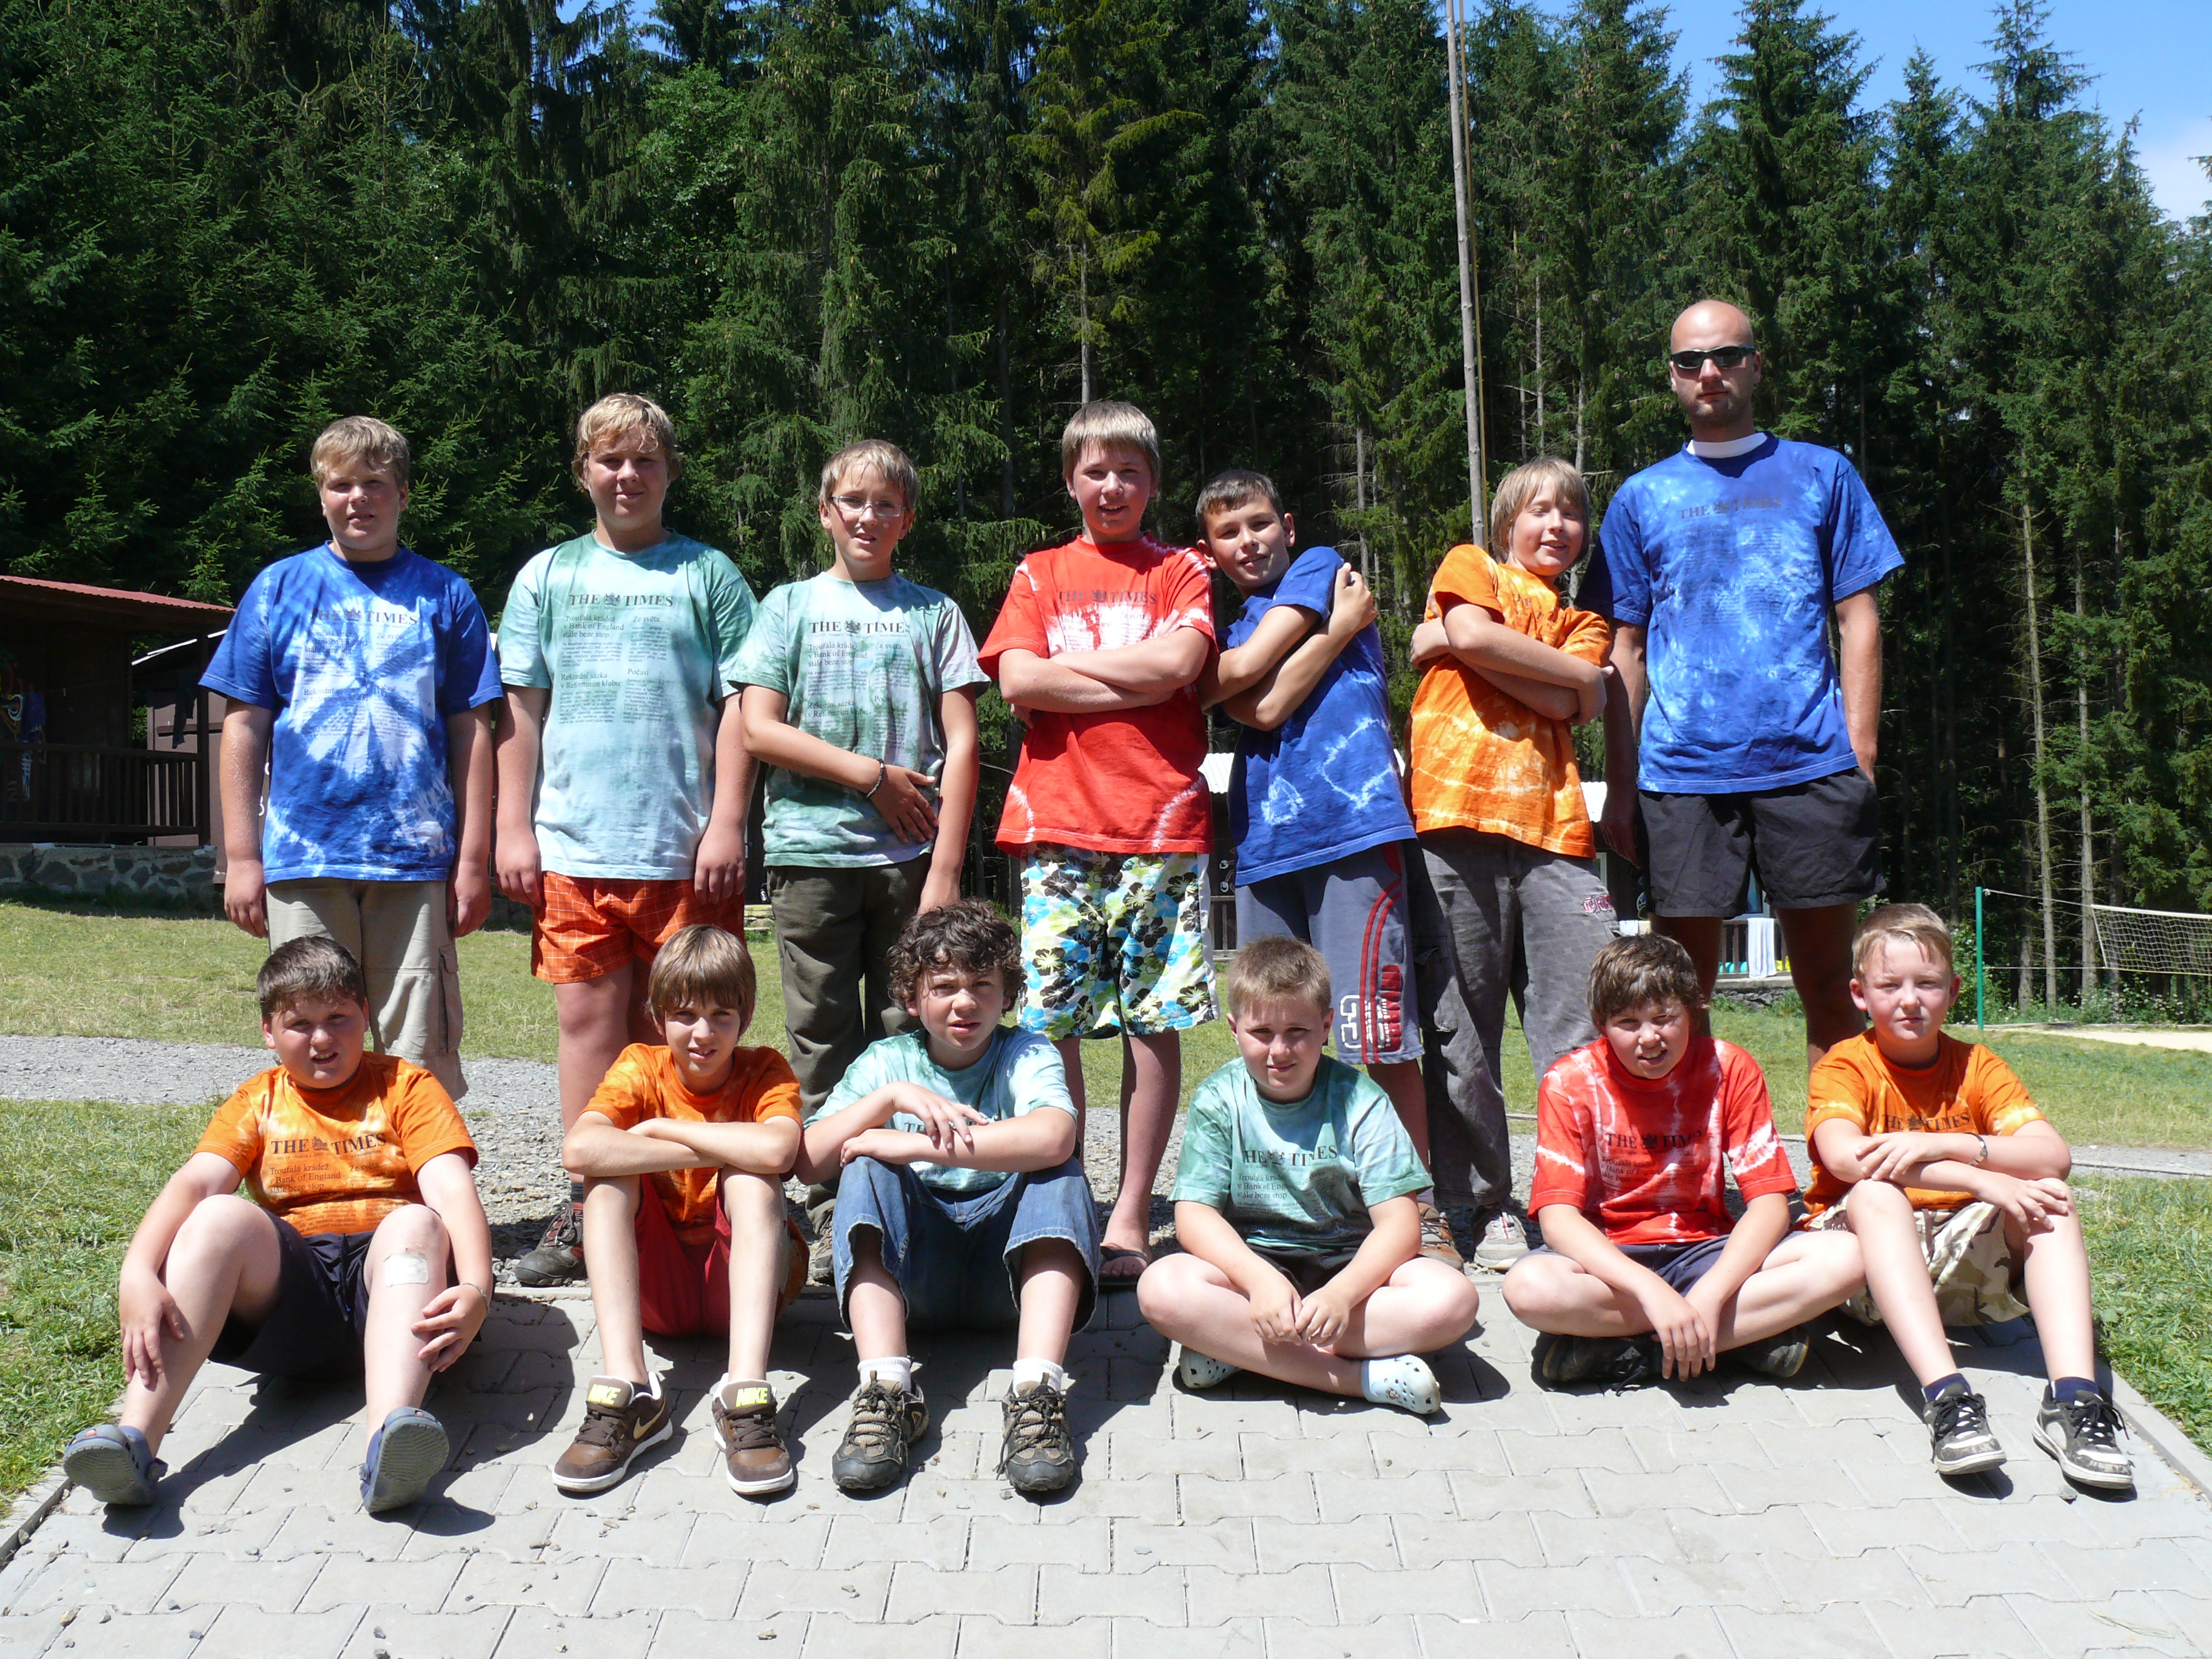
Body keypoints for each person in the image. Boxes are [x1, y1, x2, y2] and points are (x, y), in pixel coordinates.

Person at [62, 937, 492, 1513]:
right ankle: (133, 1443)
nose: (322, 1039)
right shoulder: (258, 1100)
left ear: (366, 1016)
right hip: (296, 1310)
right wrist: (137, 1272)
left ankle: (389, 1445)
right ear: (268, 1031)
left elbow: (451, 1189)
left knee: (416, 1221)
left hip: (397, 1301)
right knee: (216, 1216)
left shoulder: (405, 1086)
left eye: (338, 1018)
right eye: (300, 1025)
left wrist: (477, 1289)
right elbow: (196, 1184)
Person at [1586, 298, 1902, 1071]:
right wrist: (1621, 786)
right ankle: (1692, 1150)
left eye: (1727, 355)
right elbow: (1625, 651)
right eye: (1691, 360)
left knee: (1829, 989)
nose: (1710, 372)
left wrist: (1860, 753)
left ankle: (1837, 1146)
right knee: (1678, 1001)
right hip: (1682, 779)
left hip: (1812, 769)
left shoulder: (1823, 474)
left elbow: (1859, 617)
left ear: (1757, 366)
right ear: (1671, 377)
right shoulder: (1640, 498)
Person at [497, 393, 759, 1287]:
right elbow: (522, 711)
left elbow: (744, 707)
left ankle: (690, 1201)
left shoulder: (710, 576)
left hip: (686, 850)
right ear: (583, 472)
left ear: (670, 472)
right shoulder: (547, 576)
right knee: (588, 1025)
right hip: (574, 846)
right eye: (609, 460)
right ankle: (590, 1201)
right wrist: (512, 827)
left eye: (645, 460)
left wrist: (728, 821)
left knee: (686, 1026)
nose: (627, 476)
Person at [979, 400, 1217, 1282]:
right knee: (1053, 1025)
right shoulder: (1038, 573)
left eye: (1129, 472)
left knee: (1155, 1023)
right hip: (1055, 827)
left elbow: (1179, 666)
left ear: (1153, 483)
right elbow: (1018, 681)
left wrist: (1065, 676)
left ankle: (1130, 1213)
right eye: (1096, 471)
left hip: (1160, 827)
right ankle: (1066, 1197)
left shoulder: (1182, 569)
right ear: (1070, 480)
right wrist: (1136, 681)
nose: (1112, 487)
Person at [1194, 469, 1456, 1269]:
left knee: (1379, 1035)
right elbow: (1255, 703)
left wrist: (1323, 633)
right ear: (1208, 550)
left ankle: (1418, 1209)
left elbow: (1261, 693)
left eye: (1258, 523)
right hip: (1265, 848)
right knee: (1274, 1028)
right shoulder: (1220, 627)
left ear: (1288, 525)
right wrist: (1339, 633)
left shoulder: (1317, 570)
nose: (1248, 542)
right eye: (1227, 533)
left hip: (1352, 831)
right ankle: (1291, 1207)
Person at [203, 416, 501, 1101]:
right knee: (313, 1037)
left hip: (415, 860)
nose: (357, 498)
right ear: (321, 496)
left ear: (403, 494)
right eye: (341, 485)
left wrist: (472, 861)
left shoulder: (446, 594)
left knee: (419, 1050)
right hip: (305, 858)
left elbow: (472, 732)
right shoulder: (278, 588)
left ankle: (420, 1169)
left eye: (375, 483)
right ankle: (319, 1169)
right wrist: (241, 857)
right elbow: (244, 727)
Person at [1803, 905, 2132, 1487]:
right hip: (1864, 1272)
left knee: (2051, 1196)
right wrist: (1980, 1178)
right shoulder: (1845, 1066)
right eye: (1890, 985)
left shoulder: (1978, 1066)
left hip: (1963, 1264)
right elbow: (1846, 1158)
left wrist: (1951, 1144)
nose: (1911, 1001)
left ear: (1953, 991)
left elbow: (2052, 1155)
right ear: (1860, 995)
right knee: (1876, 1194)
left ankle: (2074, 1399)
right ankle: (1947, 1397)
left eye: (1928, 984)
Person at [796, 900, 1100, 1496]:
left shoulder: (1026, 1052)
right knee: (866, 1167)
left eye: (983, 985)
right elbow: (809, 1160)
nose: (965, 1003)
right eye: (944, 987)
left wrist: (919, 1146)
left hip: (1009, 1278)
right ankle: (888, 1391)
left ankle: (1036, 1393)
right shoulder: (888, 1062)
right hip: (916, 1281)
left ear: (1007, 995)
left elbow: (1056, 1136)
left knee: (1059, 1173)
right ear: (913, 998)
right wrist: (888, 1103)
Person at [1402, 457, 1617, 1272]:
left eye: (1571, 513)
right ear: (1506, 524)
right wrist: (1559, 675)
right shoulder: (1471, 566)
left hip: (1555, 834)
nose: (1556, 524)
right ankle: (1483, 1205)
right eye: (1539, 510)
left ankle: (1572, 1198)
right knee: (1461, 1031)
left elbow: (1567, 697)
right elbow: (1544, 677)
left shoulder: (1584, 622)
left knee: (1580, 1027)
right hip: (1451, 822)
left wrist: (1457, 643)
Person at [735, 439, 987, 1114]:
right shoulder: (786, 607)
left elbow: (963, 742)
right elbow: (758, 729)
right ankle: (827, 1172)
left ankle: (908, 1167)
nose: (867, 517)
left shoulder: (935, 614)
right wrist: (872, 778)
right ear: (825, 512)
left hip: (909, 858)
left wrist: (946, 872)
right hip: (808, 856)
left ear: (907, 520)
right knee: (821, 1031)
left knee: (913, 1025)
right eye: (852, 502)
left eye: (886, 505)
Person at [1501, 933, 1863, 1388]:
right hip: (1610, 1258)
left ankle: (1631, 1350)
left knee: (1847, 1258)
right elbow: (1558, 1219)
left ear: (1693, 1011)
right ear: (1601, 1024)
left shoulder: (1730, 1068)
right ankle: (1736, 1340)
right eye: (1627, 1022)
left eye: (1664, 1018)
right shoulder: (1568, 1081)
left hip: (1706, 1249)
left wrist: (1711, 1294)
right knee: (1528, 1288)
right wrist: (1650, 1290)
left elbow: (1770, 1204)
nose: (1649, 1038)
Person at [1136, 937, 1483, 1413]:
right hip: (1253, 1268)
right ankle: (1360, 1379)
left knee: (1453, 1300)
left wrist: (1342, 1294)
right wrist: (1260, 1282)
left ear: (1326, 1027)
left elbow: (1400, 1227)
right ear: (1234, 1030)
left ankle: (1243, 1350)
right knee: (1161, 1288)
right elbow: (1195, 1216)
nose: (1280, 1050)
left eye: (1297, 1031)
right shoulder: (1218, 1098)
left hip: (1349, 1269)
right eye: (1262, 1032)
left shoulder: (1361, 1101)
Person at [548, 925, 808, 1498]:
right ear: (658, 1015)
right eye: (685, 1015)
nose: (703, 1033)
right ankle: (632, 1391)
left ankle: (744, 1393)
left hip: (742, 1289)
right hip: (657, 1296)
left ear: (746, 1015)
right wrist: (720, 1144)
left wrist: (662, 1128)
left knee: (753, 1180)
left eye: (721, 1015)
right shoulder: (640, 1065)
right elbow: (581, 1149)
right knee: (607, 1182)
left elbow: (777, 1151)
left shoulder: (764, 1069)